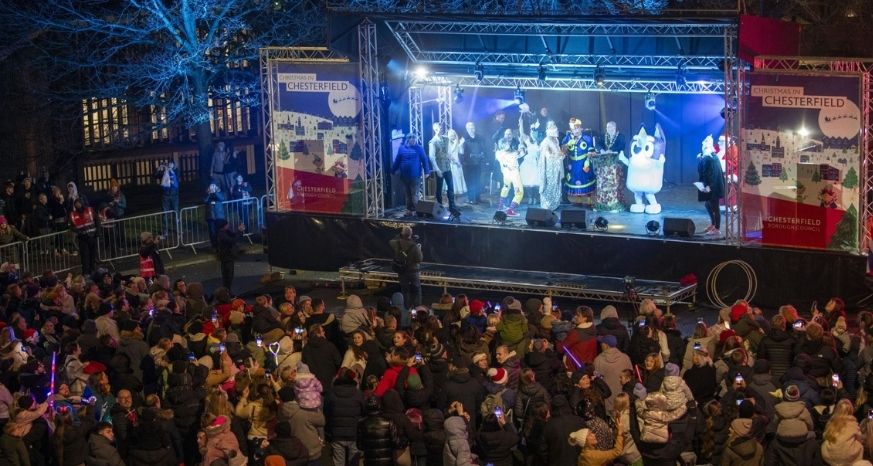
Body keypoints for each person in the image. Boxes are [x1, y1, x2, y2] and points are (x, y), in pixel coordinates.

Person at [591, 121, 626, 212]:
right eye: (607, 127)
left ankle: (614, 203)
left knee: (614, 183)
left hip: (616, 163)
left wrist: (611, 151)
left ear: (615, 128)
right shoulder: (604, 136)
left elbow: (621, 146)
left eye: (611, 127)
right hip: (604, 163)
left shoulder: (620, 136)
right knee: (602, 183)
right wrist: (602, 150)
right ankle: (602, 203)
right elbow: (598, 144)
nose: (609, 129)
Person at [391, 134, 430, 216]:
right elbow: (397, 160)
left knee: (414, 194)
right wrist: (393, 170)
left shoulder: (419, 148)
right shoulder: (402, 148)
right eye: (412, 139)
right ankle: (409, 210)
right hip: (404, 176)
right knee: (407, 194)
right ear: (408, 140)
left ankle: (416, 211)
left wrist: (427, 172)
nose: (414, 141)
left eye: (415, 139)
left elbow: (425, 160)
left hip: (415, 176)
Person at [562, 118, 596, 207]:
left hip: (584, 163)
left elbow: (591, 151)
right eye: (573, 129)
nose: (575, 131)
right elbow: (563, 151)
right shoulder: (568, 138)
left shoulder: (587, 138)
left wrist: (588, 160)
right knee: (574, 180)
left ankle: (589, 200)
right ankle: (578, 200)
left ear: (581, 128)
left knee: (585, 180)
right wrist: (567, 144)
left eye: (577, 128)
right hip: (573, 164)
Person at [389, 226, 422, 308]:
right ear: (411, 234)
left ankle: (407, 307)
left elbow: (390, 241)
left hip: (402, 270)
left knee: (405, 290)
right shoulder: (414, 246)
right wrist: (419, 249)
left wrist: (399, 236)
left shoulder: (396, 243)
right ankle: (417, 307)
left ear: (402, 234)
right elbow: (419, 259)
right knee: (416, 289)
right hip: (413, 271)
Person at [697, 135, 724, 235]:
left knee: (715, 206)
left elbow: (713, 174)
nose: (703, 148)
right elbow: (702, 171)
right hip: (709, 185)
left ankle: (717, 228)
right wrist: (700, 159)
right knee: (708, 204)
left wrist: (710, 186)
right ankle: (713, 224)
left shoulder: (712, 158)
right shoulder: (707, 157)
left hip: (714, 187)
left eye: (705, 147)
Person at [495, 128, 524, 216]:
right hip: (514, 174)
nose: (508, 144)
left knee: (506, 188)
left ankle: (500, 207)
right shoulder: (513, 154)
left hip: (506, 174)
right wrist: (522, 147)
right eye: (506, 143)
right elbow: (521, 153)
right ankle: (510, 210)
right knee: (520, 192)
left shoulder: (499, 153)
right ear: (503, 145)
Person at [428, 122, 456, 213]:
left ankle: (452, 206)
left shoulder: (446, 139)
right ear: (435, 129)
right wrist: (437, 169)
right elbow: (432, 157)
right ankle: (440, 207)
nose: (442, 129)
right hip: (439, 167)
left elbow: (448, 152)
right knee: (439, 188)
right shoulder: (433, 142)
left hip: (447, 167)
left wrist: (453, 159)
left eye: (442, 127)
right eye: (440, 128)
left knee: (451, 187)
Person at [537, 121, 563, 211]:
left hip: (557, 167)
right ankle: (548, 205)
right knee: (549, 185)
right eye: (553, 127)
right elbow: (548, 156)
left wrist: (561, 154)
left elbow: (558, 152)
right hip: (549, 168)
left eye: (555, 126)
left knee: (556, 184)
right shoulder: (545, 142)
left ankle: (555, 203)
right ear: (548, 129)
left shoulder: (556, 140)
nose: (556, 129)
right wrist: (558, 156)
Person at [215, 219, 246, 293]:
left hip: (228, 257)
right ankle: (227, 292)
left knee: (229, 276)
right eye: (227, 224)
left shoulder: (225, 232)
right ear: (224, 225)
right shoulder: (222, 234)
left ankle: (227, 291)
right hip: (226, 257)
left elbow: (234, 235)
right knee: (228, 276)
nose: (228, 225)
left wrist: (239, 230)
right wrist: (240, 231)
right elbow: (232, 240)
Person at [459, 121, 486, 204]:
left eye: (473, 127)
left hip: (477, 163)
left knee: (477, 181)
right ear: (467, 129)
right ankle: (471, 199)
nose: (472, 128)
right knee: (470, 182)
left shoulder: (479, 138)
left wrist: (482, 155)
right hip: (468, 164)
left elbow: (483, 149)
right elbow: (460, 152)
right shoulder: (464, 139)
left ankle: (477, 198)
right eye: (470, 127)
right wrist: (463, 162)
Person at [69, 198, 98, 275]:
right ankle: (86, 273)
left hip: (92, 236)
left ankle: (92, 271)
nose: (77, 205)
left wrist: (98, 233)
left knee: (93, 255)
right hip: (82, 238)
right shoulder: (73, 214)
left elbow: (97, 220)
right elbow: (71, 226)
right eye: (76, 204)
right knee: (85, 257)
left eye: (78, 203)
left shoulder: (90, 210)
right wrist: (77, 231)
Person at [446, 129, 467, 200]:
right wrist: (456, 143)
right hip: (451, 165)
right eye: (451, 135)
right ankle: (452, 201)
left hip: (457, 164)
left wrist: (461, 145)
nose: (453, 136)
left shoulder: (456, 143)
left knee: (458, 182)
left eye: (454, 135)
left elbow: (461, 152)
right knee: (453, 182)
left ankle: (456, 202)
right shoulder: (447, 143)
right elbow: (450, 153)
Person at [204, 183, 225, 248]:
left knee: (220, 232)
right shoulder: (207, 194)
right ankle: (214, 246)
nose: (212, 188)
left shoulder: (219, 192)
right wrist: (209, 193)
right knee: (212, 233)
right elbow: (205, 200)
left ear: (216, 187)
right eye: (211, 186)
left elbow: (222, 198)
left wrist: (215, 192)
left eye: (214, 186)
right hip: (211, 217)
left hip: (219, 216)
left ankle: (221, 245)